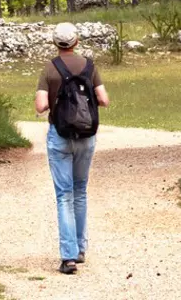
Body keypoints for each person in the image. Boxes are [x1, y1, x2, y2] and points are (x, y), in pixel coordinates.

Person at [35, 21, 109, 274]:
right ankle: (80, 249)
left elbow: (40, 105)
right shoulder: (89, 67)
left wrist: (53, 104)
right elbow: (104, 100)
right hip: (86, 137)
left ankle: (68, 258)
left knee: (63, 195)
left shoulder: (49, 69)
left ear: (56, 43)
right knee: (80, 191)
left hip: (60, 136)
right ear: (76, 41)